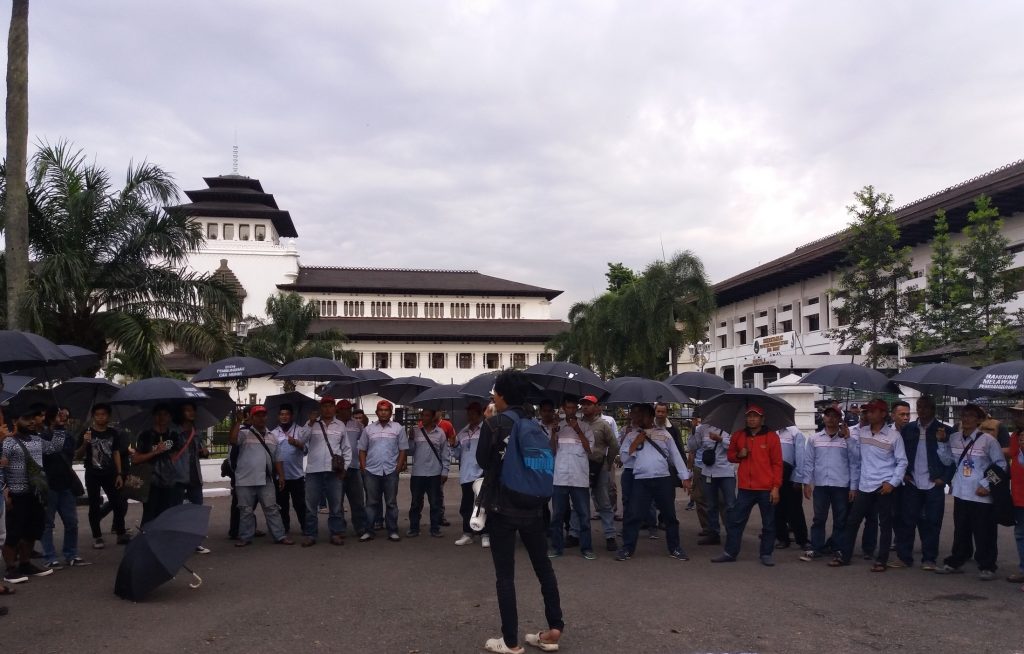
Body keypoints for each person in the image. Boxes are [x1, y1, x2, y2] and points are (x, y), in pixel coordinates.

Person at [477, 370, 563, 654]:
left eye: (495, 393)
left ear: (501, 396)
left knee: (505, 575)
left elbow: (482, 460)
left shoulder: (495, 423)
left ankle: (510, 642)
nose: (493, 397)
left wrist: (489, 425)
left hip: (503, 507)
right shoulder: (533, 423)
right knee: (543, 567)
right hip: (534, 506)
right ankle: (553, 630)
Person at [832, 399, 907, 571]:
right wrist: (848, 438)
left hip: (884, 485)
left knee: (885, 524)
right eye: (867, 412)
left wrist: (893, 483)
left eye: (872, 411)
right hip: (865, 484)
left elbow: (902, 462)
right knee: (852, 521)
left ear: (882, 414)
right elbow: (857, 456)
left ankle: (881, 560)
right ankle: (844, 555)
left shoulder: (894, 436)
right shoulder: (863, 432)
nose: (868, 414)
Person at [934, 404, 1007, 580]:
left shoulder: (988, 441)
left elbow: (1001, 465)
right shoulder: (954, 438)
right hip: (961, 492)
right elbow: (947, 462)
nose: (966, 419)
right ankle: (957, 560)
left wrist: (987, 484)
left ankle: (987, 565)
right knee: (961, 530)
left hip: (981, 494)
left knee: (984, 532)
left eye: (971, 416)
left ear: (979, 420)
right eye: (964, 415)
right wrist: (941, 442)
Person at [616, 403, 692, 562]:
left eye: (639, 414)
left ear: (650, 417)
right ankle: (627, 548)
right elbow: (623, 458)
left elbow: (675, 456)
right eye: (634, 414)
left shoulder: (664, 434)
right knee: (633, 515)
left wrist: (684, 477)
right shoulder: (631, 435)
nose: (635, 417)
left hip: (662, 479)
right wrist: (636, 442)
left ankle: (675, 548)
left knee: (669, 515)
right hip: (641, 480)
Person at [1, 405, 67, 583]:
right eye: (27, 418)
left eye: (34, 418)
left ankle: (25, 564)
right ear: (15, 421)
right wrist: (4, 491)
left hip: (36, 494)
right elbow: (1, 468)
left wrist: (60, 426)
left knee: (32, 531)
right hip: (16, 494)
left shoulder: (36, 439)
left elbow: (54, 447)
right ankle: (10, 569)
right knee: (14, 532)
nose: (32, 422)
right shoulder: (8, 442)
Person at [711, 406, 782, 566]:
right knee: (735, 521)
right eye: (749, 416)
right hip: (745, 488)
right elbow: (730, 456)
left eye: (755, 416)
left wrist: (776, 487)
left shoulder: (771, 437)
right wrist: (739, 455)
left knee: (769, 523)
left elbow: (777, 464)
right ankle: (730, 552)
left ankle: (766, 554)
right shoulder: (739, 435)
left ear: (762, 419)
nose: (752, 419)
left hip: (766, 488)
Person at [894, 396, 952, 570]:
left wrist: (944, 479)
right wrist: (903, 474)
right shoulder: (908, 429)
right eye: (919, 407)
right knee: (907, 521)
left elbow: (952, 460)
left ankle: (929, 559)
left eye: (926, 407)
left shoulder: (945, 430)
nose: (922, 410)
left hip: (933, 483)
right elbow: (899, 454)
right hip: (912, 482)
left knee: (932, 522)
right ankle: (904, 557)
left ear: (933, 409)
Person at [228, 405, 292, 547]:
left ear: (267, 417)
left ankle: (280, 536)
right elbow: (232, 440)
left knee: (272, 509)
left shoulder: (272, 436)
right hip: (245, 480)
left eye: (263, 415)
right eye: (257, 415)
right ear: (251, 417)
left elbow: (278, 458)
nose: (261, 418)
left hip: (266, 479)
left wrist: (281, 476)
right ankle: (245, 537)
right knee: (246, 510)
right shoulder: (244, 433)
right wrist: (238, 422)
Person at [799, 406, 854, 561]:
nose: (831, 418)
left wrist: (848, 439)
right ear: (823, 418)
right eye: (828, 415)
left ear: (840, 419)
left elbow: (855, 461)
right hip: (821, 484)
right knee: (819, 518)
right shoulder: (814, 439)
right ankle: (816, 547)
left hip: (841, 485)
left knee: (840, 519)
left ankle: (837, 547)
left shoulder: (847, 439)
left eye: (834, 416)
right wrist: (806, 483)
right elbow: (809, 462)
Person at [297, 396, 352, 547]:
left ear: (335, 408)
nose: (327, 409)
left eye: (330, 406)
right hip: (314, 470)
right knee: (310, 506)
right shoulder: (312, 424)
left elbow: (346, 448)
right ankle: (310, 534)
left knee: (335, 505)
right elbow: (301, 439)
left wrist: (345, 468)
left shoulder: (340, 425)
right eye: (325, 406)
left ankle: (335, 533)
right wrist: (310, 422)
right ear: (321, 408)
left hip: (334, 471)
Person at [568, 395, 618, 552]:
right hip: (581, 467)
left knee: (603, 502)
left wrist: (607, 463)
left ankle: (610, 536)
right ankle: (574, 534)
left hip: (599, 467)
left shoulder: (603, 425)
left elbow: (614, 445)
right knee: (578, 502)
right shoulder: (577, 424)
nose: (585, 407)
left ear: (597, 407)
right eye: (583, 404)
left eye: (589, 404)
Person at [40, 407, 88, 569]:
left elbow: (72, 455)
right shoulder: (42, 436)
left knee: (72, 522)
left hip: (66, 483)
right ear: (51, 417)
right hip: (49, 484)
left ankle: (71, 554)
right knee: (48, 524)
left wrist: (84, 443)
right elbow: (53, 450)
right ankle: (49, 556)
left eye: (66, 417)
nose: (64, 419)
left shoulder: (68, 436)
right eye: (61, 416)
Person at [548, 398, 596, 560]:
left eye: (574, 407)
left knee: (583, 515)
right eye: (568, 407)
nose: (571, 410)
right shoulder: (558, 427)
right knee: (557, 516)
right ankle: (556, 547)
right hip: (560, 477)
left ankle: (587, 548)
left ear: (577, 408)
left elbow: (590, 450)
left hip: (579, 477)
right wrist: (553, 433)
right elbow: (552, 451)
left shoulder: (586, 427)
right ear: (563, 408)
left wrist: (577, 430)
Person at [77, 404, 129, 549]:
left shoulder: (113, 433)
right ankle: (97, 536)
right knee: (94, 505)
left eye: (104, 414)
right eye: (98, 414)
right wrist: (85, 443)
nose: (100, 417)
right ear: (93, 416)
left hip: (111, 473)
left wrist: (119, 473)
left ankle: (120, 532)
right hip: (93, 474)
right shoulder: (86, 432)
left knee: (118, 502)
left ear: (108, 416)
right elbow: (78, 455)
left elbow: (116, 453)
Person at [358, 399, 408, 542]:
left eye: (386, 410)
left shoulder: (398, 428)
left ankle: (392, 530)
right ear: (376, 413)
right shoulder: (369, 429)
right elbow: (362, 449)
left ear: (391, 413)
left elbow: (403, 449)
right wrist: (363, 467)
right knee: (371, 503)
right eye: (381, 410)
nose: (383, 413)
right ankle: (369, 530)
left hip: (390, 470)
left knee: (391, 502)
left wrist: (398, 468)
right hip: (372, 471)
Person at [132, 404, 185, 526]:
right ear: (154, 416)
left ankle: (162, 540)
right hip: (151, 481)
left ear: (170, 417)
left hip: (169, 481)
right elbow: (135, 459)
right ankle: (145, 540)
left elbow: (175, 457)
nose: (162, 417)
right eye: (159, 414)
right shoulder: (145, 436)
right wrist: (155, 452)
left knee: (165, 514)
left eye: (165, 414)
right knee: (149, 514)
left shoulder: (173, 436)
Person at [173, 402, 210, 554]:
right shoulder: (174, 431)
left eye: (193, 410)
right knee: (177, 510)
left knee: (197, 509)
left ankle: (195, 542)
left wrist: (204, 451)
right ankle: (177, 541)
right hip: (178, 476)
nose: (191, 413)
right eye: (187, 410)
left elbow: (198, 451)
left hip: (195, 475)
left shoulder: (197, 431)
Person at [407, 408, 449, 538]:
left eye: (426, 416)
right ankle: (414, 528)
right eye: (422, 415)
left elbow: (445, 453)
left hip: (434, 473)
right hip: (418, 473)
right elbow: (410, 451)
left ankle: (435, 528)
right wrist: (411, 439)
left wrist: (445, 471)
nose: (423, 418)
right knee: (415, 503)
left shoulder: (440, 433)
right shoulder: (416, 431)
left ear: (432, 418)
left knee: (435, 503)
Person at [697, 417, 734, 547]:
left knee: (729, 504)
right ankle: (713, 534)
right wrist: (694, 431)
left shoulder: (730, 428)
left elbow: (734, 447)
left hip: (726, 472)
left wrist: (721, 440)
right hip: (708, 471)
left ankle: (732, 534)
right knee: (711, 505)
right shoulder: (702, 429)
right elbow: (693, 445)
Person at [455, 402, 487, 547]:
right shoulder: (462, 433)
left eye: (474, 413)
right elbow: (457, 455)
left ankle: (485, 533)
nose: (470, 416)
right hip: (466, 473)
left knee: (483, 505)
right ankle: (468, 533)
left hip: (482, 472)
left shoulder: (486, 430)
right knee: (466, 505)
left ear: (480, 414)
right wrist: (453, 445)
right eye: (469, 413)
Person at [271, 404, 306, 534]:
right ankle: (284, 529)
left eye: (287, 414)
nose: (284, 417)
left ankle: (306, 528)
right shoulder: (273, 433)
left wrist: (297, 443)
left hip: (296, 475)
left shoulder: (300, 430)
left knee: (300, 504)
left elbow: (306, 450)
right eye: (282, 414)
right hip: (280, 477)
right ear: (278, 416)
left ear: (292, 416)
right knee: (282, 505)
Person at [773, 424, 809, 551]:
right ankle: (782, 538)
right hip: (774, 475)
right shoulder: (771, 432)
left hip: (790, 474)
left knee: (795, 509)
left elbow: (800, 456)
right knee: (777, 508)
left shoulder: (795, 432)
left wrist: (798, 478)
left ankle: (802, 540)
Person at [336, 400, 368, 538]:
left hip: (354, 468)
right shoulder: (333, 425)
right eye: (345, 409)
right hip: (337, 468)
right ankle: (339, 528)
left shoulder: (358, 425)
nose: (348, 411)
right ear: (339, 411)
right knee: (337, 501)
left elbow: (364, 444)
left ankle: (360, 527)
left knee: (358, 501)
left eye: (349, 409)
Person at [1007, 401, 1024, 587]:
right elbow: (1013, 457)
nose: (1016, 418)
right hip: (1018, 494)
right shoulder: (1015, 436)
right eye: (1015, 414)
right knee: (1020, 534)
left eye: (1020, 414)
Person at [686, 414, 712, 535]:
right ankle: (707, 528)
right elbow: (692, 449)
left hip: (717, 469)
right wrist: (689, 471)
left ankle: (725, 529)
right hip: (699, 467)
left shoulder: (723, 429)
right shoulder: (698, 429)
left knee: (720, 501)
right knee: (699, 499)